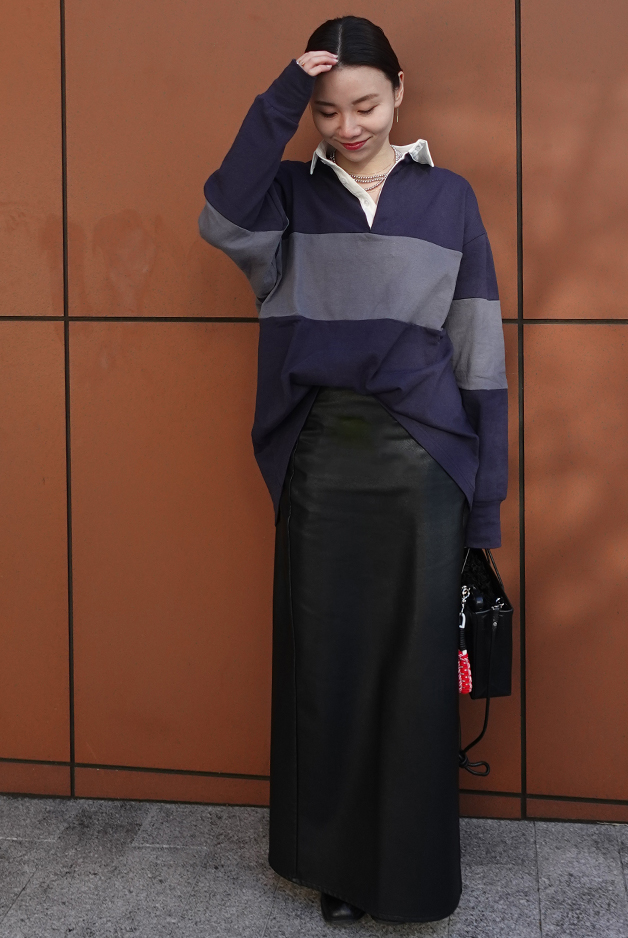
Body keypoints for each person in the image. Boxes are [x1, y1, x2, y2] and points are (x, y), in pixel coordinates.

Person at [198, 15, 508, 925]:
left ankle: (408, 876)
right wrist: (283, 93)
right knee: (324, 667)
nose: (349, 126)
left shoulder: (449, 197)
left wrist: (484, 508)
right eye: (327, 111)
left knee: (414, 677)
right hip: (323, 458)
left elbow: (478, 352)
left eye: (365, 105)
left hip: (427, 465)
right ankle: (335, 868)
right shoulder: (286, 199)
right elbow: (220, 212)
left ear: (400, 93)